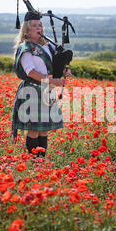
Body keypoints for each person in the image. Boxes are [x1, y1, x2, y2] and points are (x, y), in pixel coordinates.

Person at [11, 11, 72, 158]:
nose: (38, 28)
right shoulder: (25, 48)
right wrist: (53, 81)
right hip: (33, 89)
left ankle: (41, 162)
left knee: (44, 129)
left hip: (47, 90)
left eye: (39, 25)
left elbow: (54, 64)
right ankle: (34, 161)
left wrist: (64, 70)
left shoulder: (47, 45)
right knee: (33, 130)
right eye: (34, 25)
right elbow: (31, 72)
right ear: (26, 29)